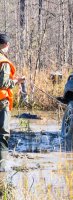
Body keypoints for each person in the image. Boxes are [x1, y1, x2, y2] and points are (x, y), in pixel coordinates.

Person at [0, 33, 25, 171]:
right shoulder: (3, 62)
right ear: (6, 44)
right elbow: (3, 83)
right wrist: (17, 81)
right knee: (3, 134)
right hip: (1, 101)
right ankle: (2, 167)